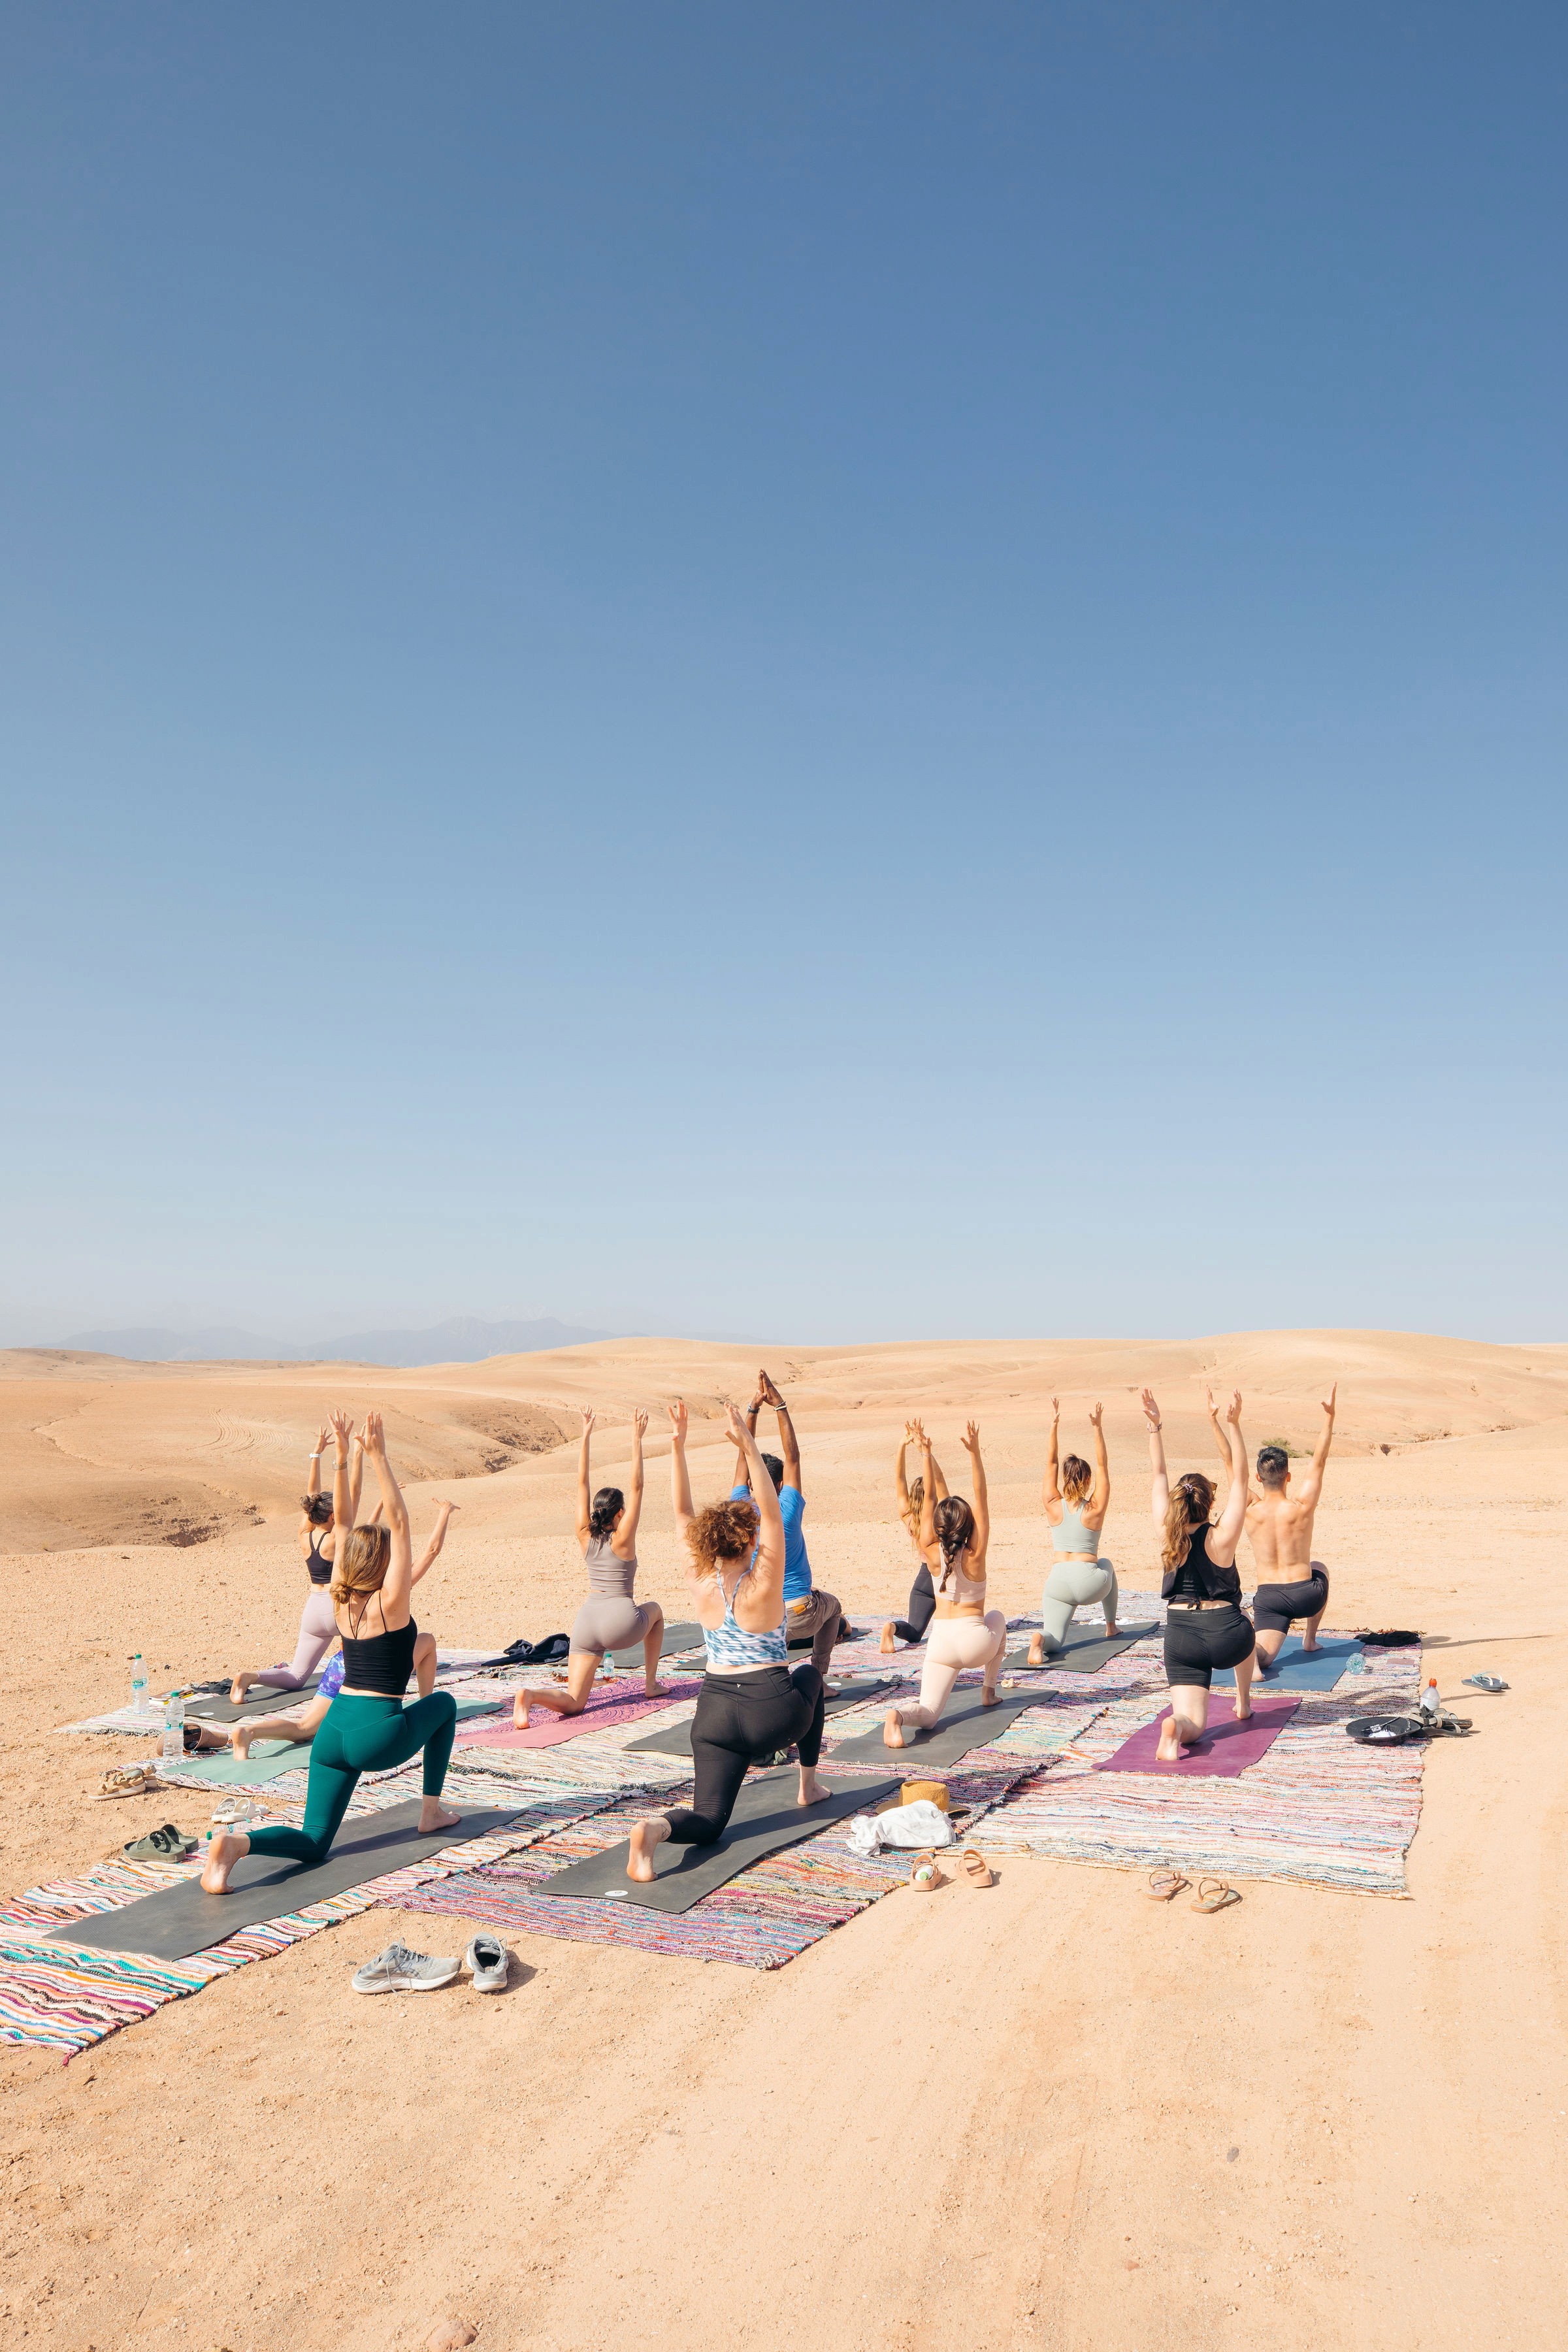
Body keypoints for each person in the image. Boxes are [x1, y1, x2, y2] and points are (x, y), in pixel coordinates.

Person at [201, 1411, 461, 1890]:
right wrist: (378, 1457)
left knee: (315, 1839)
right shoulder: (391, 1604)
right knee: (443, 1704)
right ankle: (431, 1811)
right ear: (383, 1563)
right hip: (375, 1734)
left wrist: (342, 1457)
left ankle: (237, 1845)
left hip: (332, 1732)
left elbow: (343, 1521)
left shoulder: (338, 1598)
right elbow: (401, 1522)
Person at [626, 1401, 829, 1881]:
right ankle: (808, 1785)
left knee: (711, 1819)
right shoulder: (764, 1582)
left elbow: (681, 1511)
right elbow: (774, 1516)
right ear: (751, 1539)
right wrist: (749, 1446)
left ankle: (655, 1829)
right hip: (771, 1711)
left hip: (713, 1713)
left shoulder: (700, 1579)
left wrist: (677, 1445)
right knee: (810, 1676)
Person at [217, 1500, 459, 1760]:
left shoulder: (346, 1590)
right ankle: (425, 1703)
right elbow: (432, 1550)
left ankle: (250, 1732)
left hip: (342, 1664)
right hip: (375, 1672)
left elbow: (355, 1537)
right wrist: (444, 1513)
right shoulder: (395, 1594)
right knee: (428, 1642)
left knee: (304, 1728)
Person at [512, 1410, 665, 1727]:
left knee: (574, 1703)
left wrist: (585, 1436)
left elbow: (581, 1481)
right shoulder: (623, 1539)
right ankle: (651, 1684)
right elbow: (638, 1487)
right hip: (620, 1622)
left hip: (586, 1622)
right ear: (620, 1513)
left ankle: (529, 1695)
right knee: (656, 1612)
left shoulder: (584, 1534)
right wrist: (636, 1439)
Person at [1143, 1387, 1255, 1763]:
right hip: (1227, 1636)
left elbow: (1159, 1473)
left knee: (1194, 1723)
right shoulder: (1221, 1538)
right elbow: (1241, 1479)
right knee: (1247, 1618)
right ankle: (1243, 1702)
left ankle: (1175, 1727)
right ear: (1210, 1503)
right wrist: (1233, 1424)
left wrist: (1155, 1426)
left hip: (1181, 1636)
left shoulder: (1167, 1533)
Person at [883, 1422, 1007, 1748]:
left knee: (929, 1714)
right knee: (998, 1618)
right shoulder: (976, 1554)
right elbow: (981, 1496)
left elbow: (930, 1499)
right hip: (976, 1644)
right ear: (969, 1526)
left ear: (937, 1527)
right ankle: (988, 1691)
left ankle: (899, 1716)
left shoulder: (929, 1550)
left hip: (941, 1644)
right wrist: (975, 1453)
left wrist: (925, 1454)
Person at [229, 1424, 365, 1700]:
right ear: (333, 1516)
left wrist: (316, 1455)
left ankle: (251, 1677)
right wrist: (357, 1454)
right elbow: (355, 1492)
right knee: (379, 1651)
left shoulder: (305, 1535)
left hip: (313, 1610)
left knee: (296, 1677)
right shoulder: (338, 1536)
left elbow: (311, 1498)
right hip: (340, 1608)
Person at [728, 1370, 845, 1674]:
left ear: (751, 1484)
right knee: (833, 1607)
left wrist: (752, 1410)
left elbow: (743, 1457)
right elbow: (793, 1458)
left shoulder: (740, 1509)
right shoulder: (787, 1510)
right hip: (798, 1615)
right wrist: (780, 1405)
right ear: (780, 1485)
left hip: (756, 1615)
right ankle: (819, 1676)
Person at [1240, 1382, 1337, 1671]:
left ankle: (1246, 1641)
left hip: (1270, 1599)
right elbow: (1319, 1461)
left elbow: (1231, 1467)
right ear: (1289, 1477)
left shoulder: (1250, 1508)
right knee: (1320, 1567)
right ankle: (1310, 1639)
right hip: (1307, 1596)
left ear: (1258, 1478)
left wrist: (1228, 1423)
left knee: (1263, 1659)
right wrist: (1330, 1417)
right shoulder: (1302, 1506)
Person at [1028, 1397, 1119, 1664]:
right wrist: (1097, 1427)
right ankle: (1111, 1626)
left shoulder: (1052, 1504)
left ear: (1065, 1479)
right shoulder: (1094, 1509)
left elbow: (1051, 1463)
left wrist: (1054, 1424)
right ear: (1088, 1480)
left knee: (1055, 1640)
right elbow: (1103, 1466)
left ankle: (1040, 1640)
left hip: (1057, 1581)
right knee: (1107, 1564)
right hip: (1089, 1583)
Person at [879, 1424, 951, 1653]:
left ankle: (892, 1627)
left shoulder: (909, 1518)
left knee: (915, 1631)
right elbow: (939, 1480)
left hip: (924, 1581)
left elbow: (899, 1479)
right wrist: (924, 1450)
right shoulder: (943, 1515)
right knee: (963, 1622)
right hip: (948, 1577)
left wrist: (901, 1446)